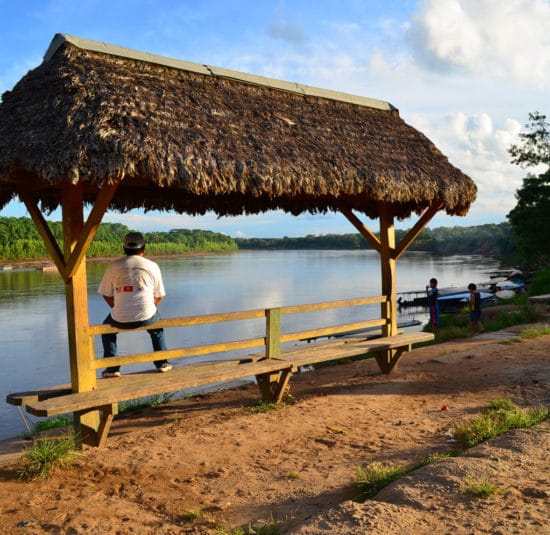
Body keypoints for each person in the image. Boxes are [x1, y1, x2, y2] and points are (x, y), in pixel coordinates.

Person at [98, 232, 172, 378]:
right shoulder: (152, 266)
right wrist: (149, 308)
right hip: (147, 315)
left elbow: (106, 294)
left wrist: (117, 308)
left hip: (119, 317)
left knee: (107, 331)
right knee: (157, 329)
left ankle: (112, 368)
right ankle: (162, 363)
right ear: (143, 249)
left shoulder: (113, 266)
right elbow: (159, 296)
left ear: (124, 249)